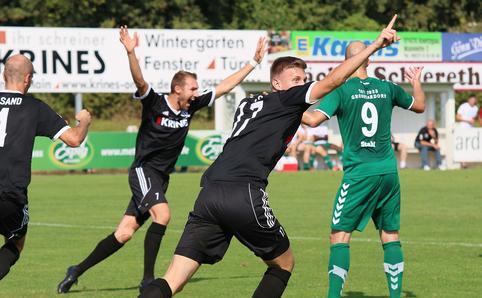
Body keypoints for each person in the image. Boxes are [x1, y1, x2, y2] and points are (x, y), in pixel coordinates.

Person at [139, 15, 401, 298]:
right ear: (277, 83)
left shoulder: (249, 102)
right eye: (295, 79)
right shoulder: (288, 99)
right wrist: (374, 45)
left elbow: (299, 118)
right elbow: (336, 80)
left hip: (209, 193)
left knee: (174, 278)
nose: (302, 84)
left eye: (303, 79)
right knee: (284, 263)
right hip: (244, 192)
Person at [57, 27, 267, 294]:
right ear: (177, 89)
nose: (196, 92)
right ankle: (148, 280)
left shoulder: (190, 107)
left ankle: (76, 270)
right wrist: (131, 51)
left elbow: (224, 87)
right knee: (163, 214)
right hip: (144, 172)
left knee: (123, 233)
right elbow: (139, 80)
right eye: (192, 88)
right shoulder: (155, 102)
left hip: (160, 178)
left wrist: (253, 62)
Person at [0, 54, 91, 298]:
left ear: (4, 75)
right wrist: (85, 121)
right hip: (9, 194)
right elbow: (75, 140)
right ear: (27, 79)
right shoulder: (35, 107)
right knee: (15, 243)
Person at [301, 40, 425, 297]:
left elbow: (312, 120)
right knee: (390, 234)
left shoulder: (342, 91)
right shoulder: (387, 88)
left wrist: (284, 103)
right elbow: (420, 106)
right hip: (389, 173)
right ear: (368, 60)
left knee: (339, 236)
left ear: (346, 63)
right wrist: (415, 81)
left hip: (359, 174)